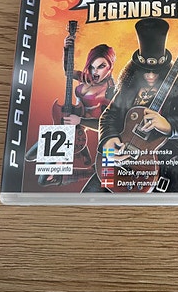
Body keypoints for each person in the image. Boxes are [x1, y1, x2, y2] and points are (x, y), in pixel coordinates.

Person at [82, 17, 178, 193]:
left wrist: (168, 125)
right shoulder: (129, 84)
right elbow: (110, 115)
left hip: (166, 151)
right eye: (145, 72)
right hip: (123, 149)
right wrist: (109, 140)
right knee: (89, 196)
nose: (150, 76)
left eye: (156, 72)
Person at [26, 40, 116, 186]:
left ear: (110, 66)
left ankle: (92, 172)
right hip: (66, 126)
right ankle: (78, 157)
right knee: (29, 156)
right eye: (92, 66)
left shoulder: (110, 91)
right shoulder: (87, 77)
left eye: (101, 66)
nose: (95, 72)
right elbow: (68, 72)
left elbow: (107, 125)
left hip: (80, 132)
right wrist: (67, 49)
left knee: (45, 179)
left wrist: (80, 121)